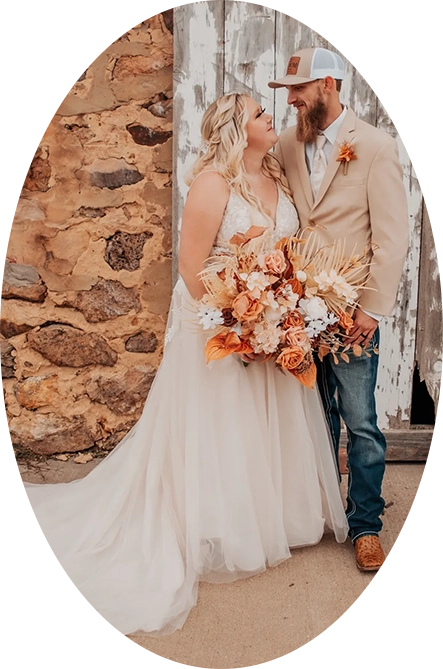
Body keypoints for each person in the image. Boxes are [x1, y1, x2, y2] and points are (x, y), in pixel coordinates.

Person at [0, 92, 348, 639]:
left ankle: (268, 519)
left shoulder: (277, 177)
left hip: (267, 317)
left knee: (264, 421)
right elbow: (191, 269)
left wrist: (277, 313)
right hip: (217, 324)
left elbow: (283, 251)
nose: (269, 118)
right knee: (223, 422)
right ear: (238, 126)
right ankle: (216, 524)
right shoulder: (214, 183)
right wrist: (239, 321)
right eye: (259, 112)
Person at [269, 47, 409, 572]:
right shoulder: (286, 143)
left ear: (327, 84)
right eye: (286, 91)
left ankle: (366, 525)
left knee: (362, 422)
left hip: (353, 315)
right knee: (313, 418)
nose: (291, 100)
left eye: (298, 89)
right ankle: (327, 512)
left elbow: (392, 239)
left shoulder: (375, 147)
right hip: (299, 312)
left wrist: (371, 309)